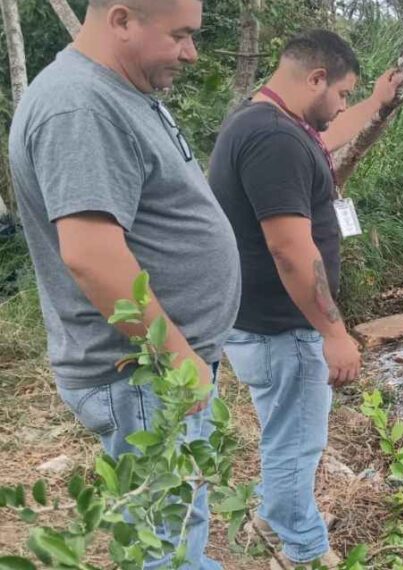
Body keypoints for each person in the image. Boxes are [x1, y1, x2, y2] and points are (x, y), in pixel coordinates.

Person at [6, 0, 240, 568]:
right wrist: (177, 359)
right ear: (121, 20)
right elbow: (91, 256)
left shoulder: (118, 92)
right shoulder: (79, 107)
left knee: (180, 522)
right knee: (165, 541)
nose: (192, 52)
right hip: (142, 374)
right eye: (180, 35)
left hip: (155, 371)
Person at [207, 30, 403, 568]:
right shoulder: (276, 140)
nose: (341, 105)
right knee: (296, 443)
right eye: (341, 93)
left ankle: (274, 515)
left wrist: (376, 100)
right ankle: (304, 551)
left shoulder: (266, 121)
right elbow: (291, 251)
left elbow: (328, 134)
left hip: (258, 322)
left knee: (282, 434)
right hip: (283, 327)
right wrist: (334, 333)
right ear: (316, 78)